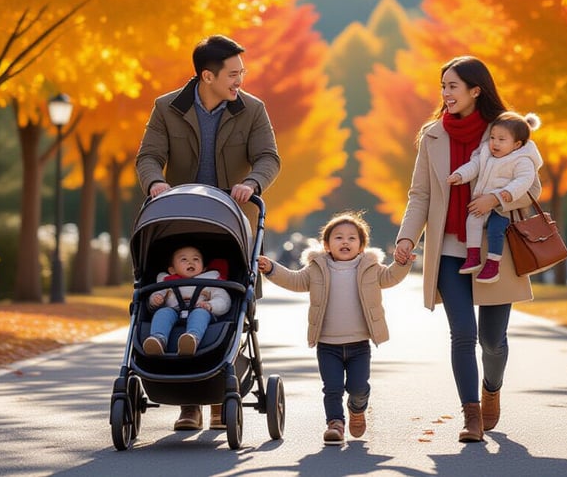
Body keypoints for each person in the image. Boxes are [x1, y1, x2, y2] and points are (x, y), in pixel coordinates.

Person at [392, 56, 542, 443]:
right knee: (463, 334)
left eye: (452, 86)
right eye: (442, 86)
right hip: (449, 249)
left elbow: (534, 188)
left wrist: (496, 199)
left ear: (476, 90)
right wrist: (407, 237)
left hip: (495, 248)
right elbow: (420, 194)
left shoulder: (504, 131)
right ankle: (470, 415)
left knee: (493, 340)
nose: (445, 94)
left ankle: (491, 390)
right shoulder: (432, 135)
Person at [136, 34, 281, 431]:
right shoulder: (167, 108)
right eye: (233, 74)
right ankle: (189, 404)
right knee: (175, 302)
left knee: (231, 305)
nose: (240, 80)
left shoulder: (252, 109)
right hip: (180, 220)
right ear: (207, 75)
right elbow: (149, 155)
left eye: (242, 72)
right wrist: (154, 184)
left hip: (232, 225)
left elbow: (269, 156)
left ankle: (221, 395)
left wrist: (251, 182)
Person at [256, 211, 414, 446]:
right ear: (327, 244)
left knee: (358, 388)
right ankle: (335, 425)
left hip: (359, 344)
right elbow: (295, 280)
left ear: (361, 245)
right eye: (338, 237)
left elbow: (391, 277)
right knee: (332, 389)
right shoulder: (318, 268)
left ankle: (357, 409)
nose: (345, 242)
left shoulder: (370, 267)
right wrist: (271, 269)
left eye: (352, 238)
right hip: (327, 344)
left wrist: (401, 264)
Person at [448, 112, 543, 283]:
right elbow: (474, 166)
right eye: (492, 137)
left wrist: (505, 194)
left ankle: (493, 264)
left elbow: (524, 180)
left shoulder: (522, 160)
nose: (495, 143)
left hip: (503, 205)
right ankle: (473, 256)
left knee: (495, 229)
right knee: (472, 221)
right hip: (482, 201)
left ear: (516, 144)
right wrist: (459, 175)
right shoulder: (486, 153)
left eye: (501, 139)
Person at [142, 246, 231, 357]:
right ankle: (158, 339)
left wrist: (211, 305)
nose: (191, 262)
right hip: (173, 310)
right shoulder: (167, 282)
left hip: (200, 309)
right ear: (172, 270)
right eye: (184, 259)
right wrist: (155, 300)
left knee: (200, 313)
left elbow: (223, 300)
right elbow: (155, 297)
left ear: (203, 268)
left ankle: (191, 339)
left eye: (196, 259)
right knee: (162, 313)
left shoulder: (210, 281)